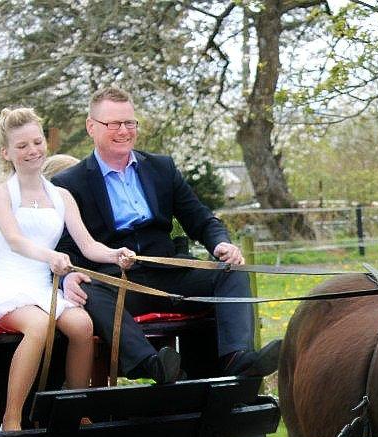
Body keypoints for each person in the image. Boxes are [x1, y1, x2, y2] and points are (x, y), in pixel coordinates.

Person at [51, 86, 280, 384]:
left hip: (168, 272)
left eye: (129, 123)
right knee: (92, 292)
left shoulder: (161, 168)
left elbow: (200, 218)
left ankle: (237, 358)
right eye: (113, 124)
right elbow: (64, 245)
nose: (123, 131)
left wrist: (221, 243)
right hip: (117, 280)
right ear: (91, 127)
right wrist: (68, 276)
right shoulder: (69, 182)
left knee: (230, 271)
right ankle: (151, 365)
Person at [0, 107, 135, 431]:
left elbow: (88, 245)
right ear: (7, 153)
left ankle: (74, 408)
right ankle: (12, 417)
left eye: (36, 142)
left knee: (81, 325)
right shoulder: (0, 195)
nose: (32, 150)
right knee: (39, 326)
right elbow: (16, 241)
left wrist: (116, 254)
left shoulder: (61, 196)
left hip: (41, 288)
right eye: (22, 146)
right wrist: (50, 256)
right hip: (9, 287)